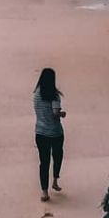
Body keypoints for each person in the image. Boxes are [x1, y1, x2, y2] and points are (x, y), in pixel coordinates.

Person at [33, 67, 66, 201]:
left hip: (40, 132)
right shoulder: (54, 95)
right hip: (55, 132)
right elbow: (55, 113)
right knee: (57, 156)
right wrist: (62, 114)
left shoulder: (36, 94)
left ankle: (44, 192)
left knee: (44, 162)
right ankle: (55, 181)